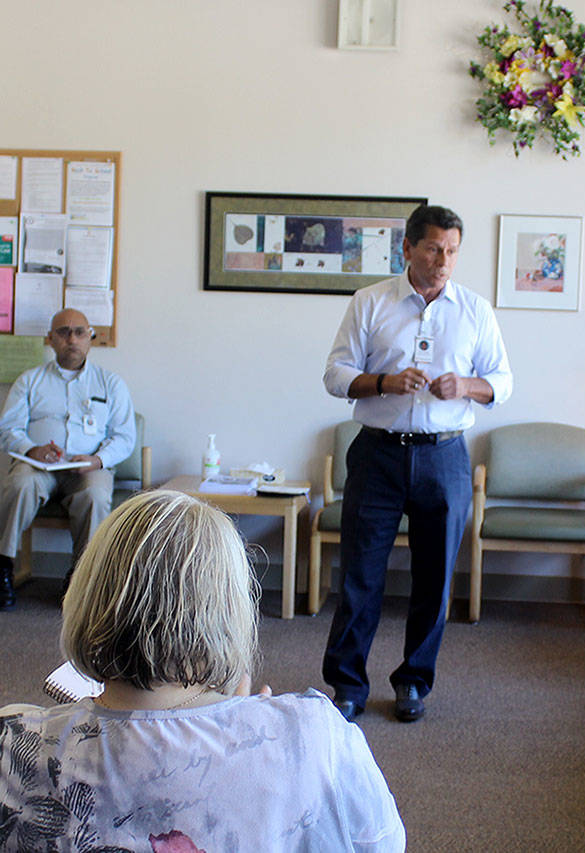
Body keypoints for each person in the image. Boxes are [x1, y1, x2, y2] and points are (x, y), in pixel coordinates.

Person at [0, 489, 405, 850]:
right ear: (230, 610)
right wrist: (244, 724)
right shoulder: (315, 735)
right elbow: (383, 844)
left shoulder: (11, 746)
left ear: (88, 593)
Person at [322, 203, 512, 723]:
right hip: (378, 453)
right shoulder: (370, 302)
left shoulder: (475, 310)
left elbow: (503, 381)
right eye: (433, 248)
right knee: (361, 574)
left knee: (435, 579)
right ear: (407, 249)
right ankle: (347, 686)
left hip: (445, 455)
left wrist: (466, 386)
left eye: (452, 251)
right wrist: (384, 381)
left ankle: (412, 683)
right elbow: (336, 375)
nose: (443, 260)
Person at [0, 308, 135, 610]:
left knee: (95, 495)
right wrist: (31, 450)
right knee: (20, 483)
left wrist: (98, 459)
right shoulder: (29, 380)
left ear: (90, 338)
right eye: (62, 332)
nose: (71, 339)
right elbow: (8, 428)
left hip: (89, 467)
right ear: (50, 339)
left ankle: (83, 577)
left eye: (79, 332)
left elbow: (125, 436)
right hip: (39, 466)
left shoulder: (110, 384)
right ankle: (3, 566)